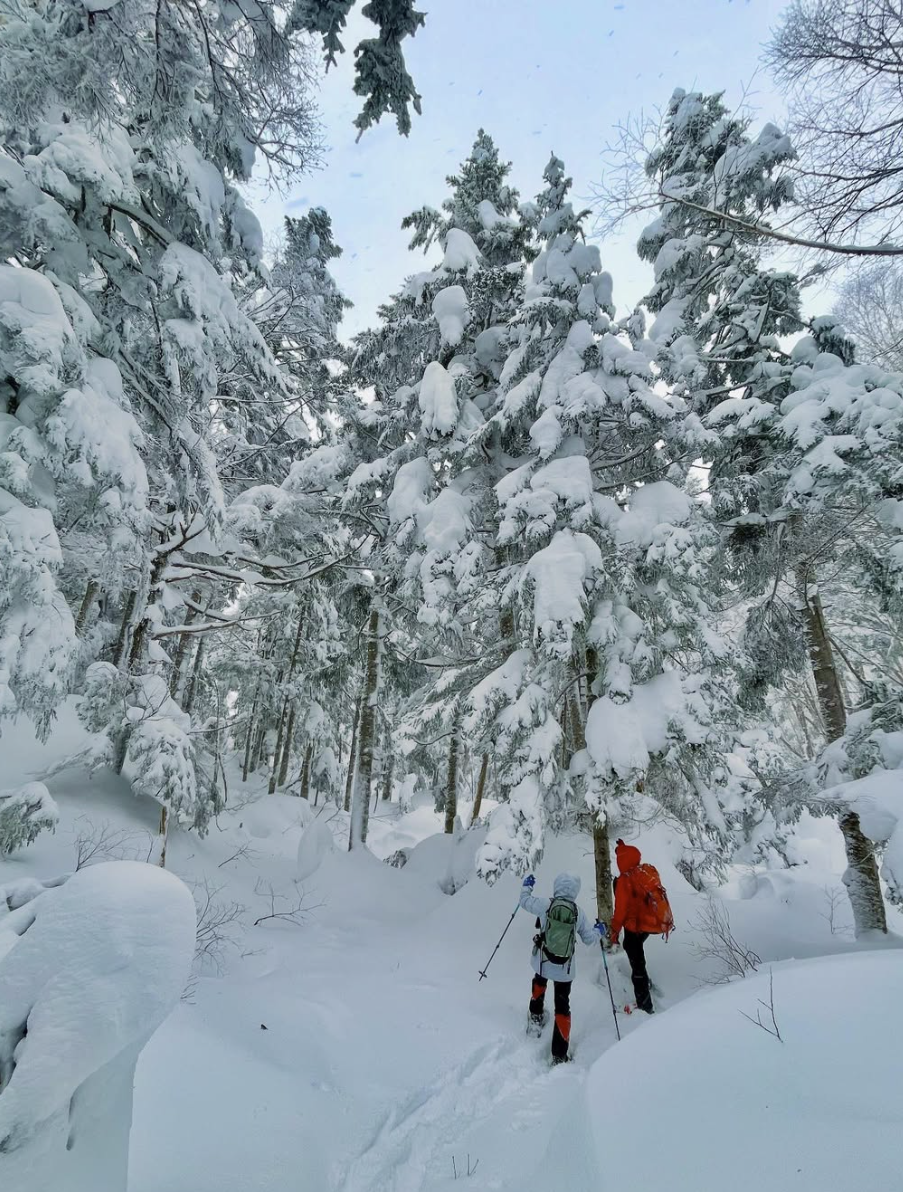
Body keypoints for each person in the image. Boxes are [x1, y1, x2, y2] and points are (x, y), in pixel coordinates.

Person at [519, 872, 603, 1063]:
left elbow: (524, 901)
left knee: (539, 984)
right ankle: (559, 1054)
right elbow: (589, 939)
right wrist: (600, 930)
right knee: (562, 1006)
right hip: (565, 970)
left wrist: (527, 885)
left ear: (556, 887)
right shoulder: (578, 912)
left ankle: (536, 1018)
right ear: (575, 891)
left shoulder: (546, 904)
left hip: (542, 961)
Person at [609, 839, 672, 1015]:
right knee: (634, 952)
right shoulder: (645, 871)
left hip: (634, 926)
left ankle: (645, 1005)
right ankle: (645, 982)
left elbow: (620, 911)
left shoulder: (625, 880)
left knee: (637, 963)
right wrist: (622, 847)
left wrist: (614, 931)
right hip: (648, 924)